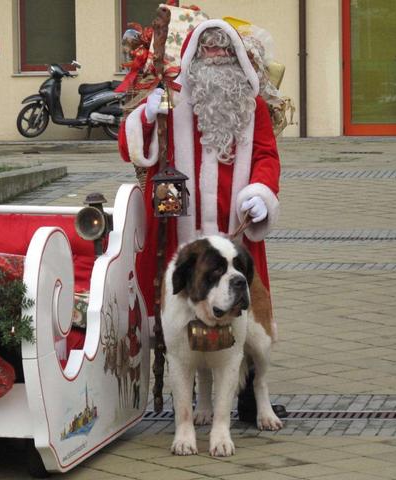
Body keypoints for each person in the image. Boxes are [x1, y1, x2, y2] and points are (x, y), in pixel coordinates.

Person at [118, 19, 285, 422]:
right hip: (183, 232)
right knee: (184, 308)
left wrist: (261, 192)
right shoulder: (171, 104)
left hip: (236, 228)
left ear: (237, 58)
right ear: (192, 59)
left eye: (223, 54)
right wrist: (145, 117)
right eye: (206, 54)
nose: (215, 61)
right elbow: (131, 151)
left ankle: (248, 395)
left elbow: (266, 155)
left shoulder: (254, 104)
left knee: (241, 307)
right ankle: (192, 399)